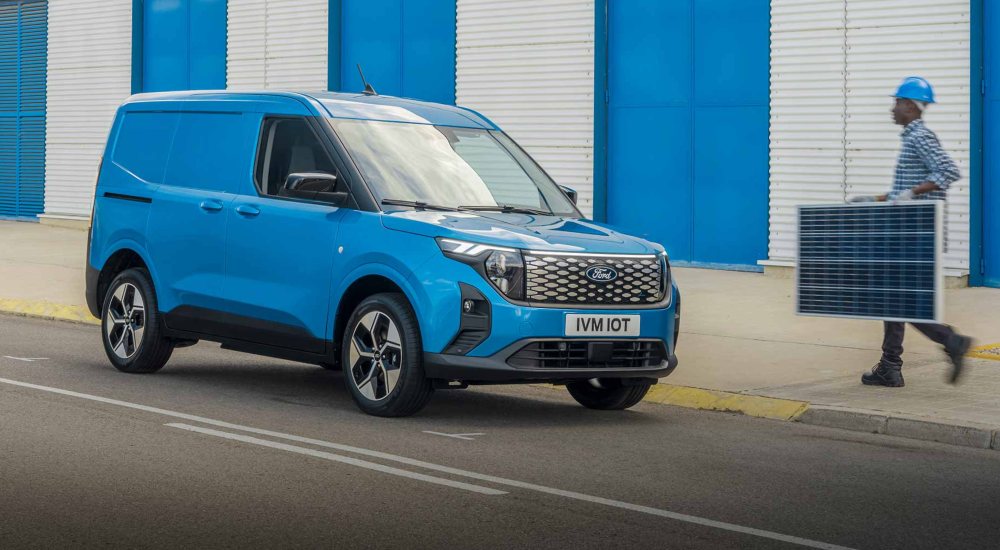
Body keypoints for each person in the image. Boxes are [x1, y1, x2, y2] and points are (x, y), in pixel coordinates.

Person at [849, 76, 973, 387]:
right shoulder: (911, 136)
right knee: (894, 297)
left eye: (896, 103)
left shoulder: (919, 136)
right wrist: (877, 198)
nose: (892, 109)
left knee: (895, 300)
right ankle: (890, 366)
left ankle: (950, 341)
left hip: (916, 232)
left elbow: (947, 171)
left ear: (910, 106)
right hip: (909, 230)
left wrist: (913, 193)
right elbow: (905, 189)